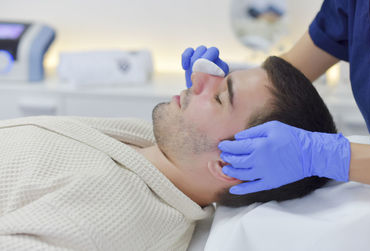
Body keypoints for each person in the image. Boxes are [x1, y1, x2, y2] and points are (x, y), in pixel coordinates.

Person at [0, 55, 336, 250]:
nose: (200, 79)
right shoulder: (147, 144)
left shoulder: (108, 220)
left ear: (227, 162)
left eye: (220, 97)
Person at [183, 0, 370, 196]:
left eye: (221, 97)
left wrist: (322, 156)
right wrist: (225, 85)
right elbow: (286, 73)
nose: (199, 86)